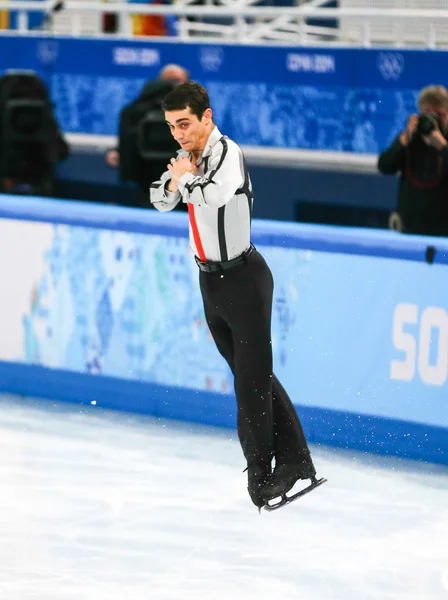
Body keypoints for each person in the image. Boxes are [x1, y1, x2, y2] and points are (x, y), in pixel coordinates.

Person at [149, 81, 321, 509]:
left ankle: (264, 477)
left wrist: (183, 179)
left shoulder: (228, 153)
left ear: (206, 116)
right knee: (252, 377)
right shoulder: (190, 159)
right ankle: (295, 461)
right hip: (211, 282)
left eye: (184, 123)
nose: (178, 134)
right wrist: (177, 180)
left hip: (244, 280)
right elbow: (158, 199)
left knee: (251, 384)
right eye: (172, 127)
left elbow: (211, 197)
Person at [105, 64, 189, 209]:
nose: (175, 86)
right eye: (171, 81)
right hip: (148, 179)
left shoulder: (196, 113)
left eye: (179, 81)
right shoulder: (137, 111)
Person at [378, 85, 448, 237]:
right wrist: (404, 139)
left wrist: (442, 146)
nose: (434, 121)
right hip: (410, 229)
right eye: (429, 115)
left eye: (440, 115)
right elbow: (384, 166)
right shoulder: (409, 140)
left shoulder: (445, 143)